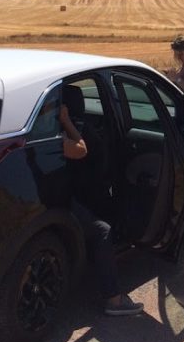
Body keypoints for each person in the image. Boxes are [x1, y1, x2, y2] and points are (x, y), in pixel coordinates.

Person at [59, 84, 144, 317]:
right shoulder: (59, 135)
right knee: (103, 231)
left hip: (61, 193)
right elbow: (82, 149)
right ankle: (114, 300)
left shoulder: (39, 129)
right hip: (59, 200)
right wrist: (67, 122)